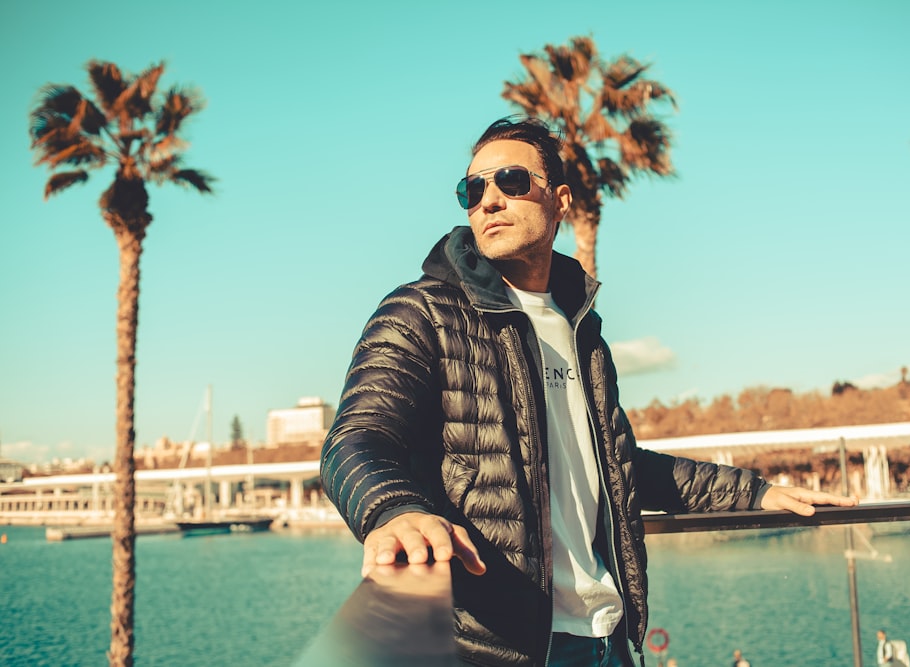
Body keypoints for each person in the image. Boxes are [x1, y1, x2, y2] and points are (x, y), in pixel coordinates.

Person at [320, 116, 858, 667]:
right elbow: (357, 439)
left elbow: (616, 466)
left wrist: (754, 493)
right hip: (496, 647)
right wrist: (392, 509)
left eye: (509, 181)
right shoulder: (421, 312)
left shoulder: (581, 328)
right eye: (472, 188)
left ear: (560, 201)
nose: (488, 200)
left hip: (607, 636)